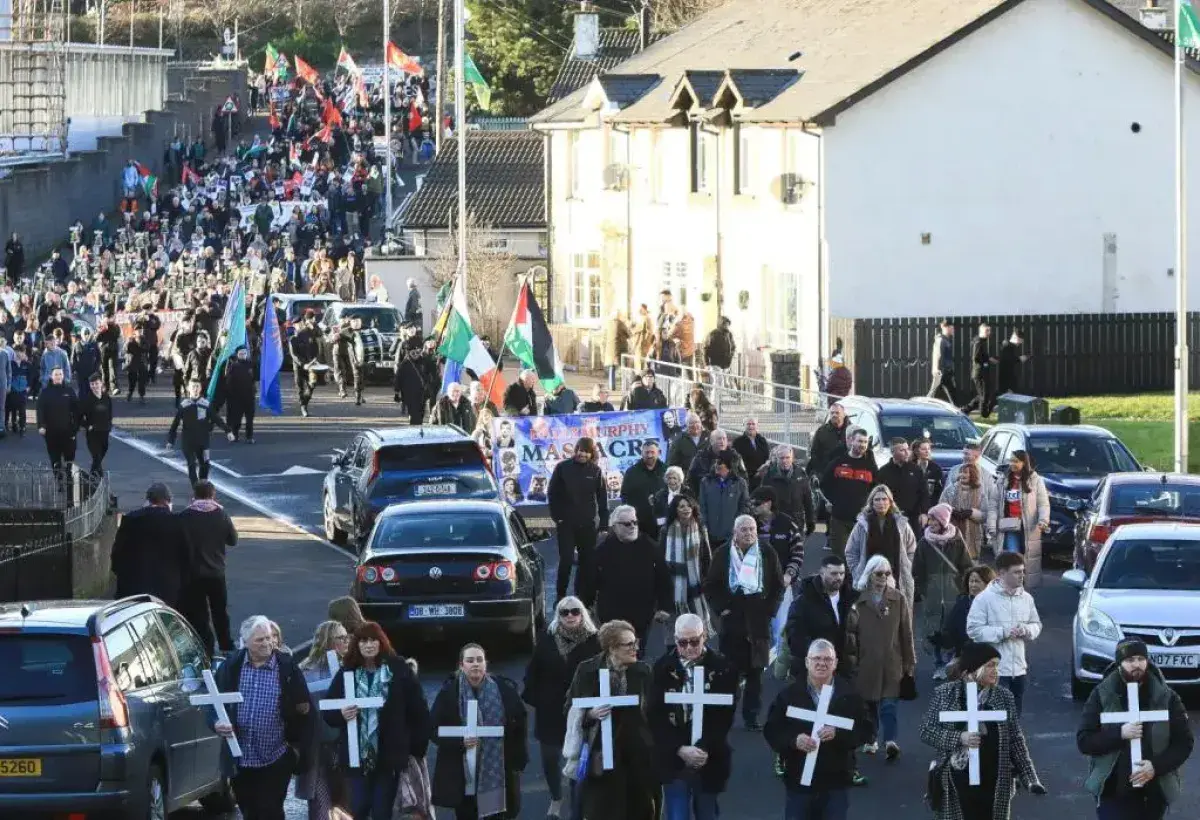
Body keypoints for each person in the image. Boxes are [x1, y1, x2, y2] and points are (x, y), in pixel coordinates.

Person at [920, 642, 1045, 820]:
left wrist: (1030, 779)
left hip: (994, 781)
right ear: (974, 668)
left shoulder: (1004, 697)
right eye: (990, 666)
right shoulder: (945, 694)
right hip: (956, 780)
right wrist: (959, 737)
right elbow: (926, 731)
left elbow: (1015, 740)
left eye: (997, 665)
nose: (996, 671)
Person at [210, 615, 316, 820]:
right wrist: (216, 723)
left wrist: (298, 749)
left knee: (270, 811)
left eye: (269, 638)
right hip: (241, 758)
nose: (267, 643)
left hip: (275, 755)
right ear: (246, 642)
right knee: (250, 811)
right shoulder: (231, 667)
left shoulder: (287, 668)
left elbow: (304, 708)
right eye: (260, 640)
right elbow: (212, 703)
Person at [324, 621, 431, 820]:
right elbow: (328, 711)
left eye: (373, 640)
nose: (369, 645)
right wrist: (341, 714)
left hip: (388, 757)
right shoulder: (347, 672)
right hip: (357, 758)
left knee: (382, 810)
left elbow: (419, 710)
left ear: (382, 642)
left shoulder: (398, 669)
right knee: (359, 808)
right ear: (357, 645)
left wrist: (415, 748)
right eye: (363, 640)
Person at [1077, 639, 1194, 820]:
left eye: (1141, 659)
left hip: (1154, 791)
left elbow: (1184, 743)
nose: (1136, 665)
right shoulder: (1102, 694)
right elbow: (1084, 741)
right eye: (1130, 660)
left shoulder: (1166, 697)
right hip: (1113, 790)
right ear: (1119, 664)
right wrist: (1120, 734)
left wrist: (1155, 767)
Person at [564, 619, 657, 820]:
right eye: (629, 644)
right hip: (602, 755)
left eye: (636, 643)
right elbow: (569, 708)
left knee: (640, 811)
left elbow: (654, 713)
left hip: (637, 756)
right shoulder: (587, 670)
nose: (635, 649)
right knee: (604, 811)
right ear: (612, 648)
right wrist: (590, 714)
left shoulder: (643, 671)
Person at [648, 613, 738, 820]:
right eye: (682, 642)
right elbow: (655, 715)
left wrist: (703, 748)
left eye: (694, 641)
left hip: (709, 756)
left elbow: (724, 717)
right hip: (673, 757)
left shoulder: (723, 668)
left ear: (704, 636)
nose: (689, 647)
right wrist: (679, 748)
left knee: (707, 814)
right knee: (677, 815)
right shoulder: (662, 668)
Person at [765, 639, 867, 820]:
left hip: (836, 781)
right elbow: (772, 730)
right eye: (816, 658)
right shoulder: (789, 696)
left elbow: (867, 730)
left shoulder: (850, 696)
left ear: (835, 663)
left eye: (827, 659)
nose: (821, 663)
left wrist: (839, 734)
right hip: (799, 780)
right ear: (807, 662)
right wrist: (794, 741)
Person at [522, 597, 600, 820]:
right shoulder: (547, 640)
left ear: (582, 613)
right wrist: (538, 699)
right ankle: (556, 797)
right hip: (550, 710)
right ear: (558, 615)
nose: (570, 616)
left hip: (582, 709)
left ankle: (579, 804)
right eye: (564, 612)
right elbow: (532, 673)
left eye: (575, 611)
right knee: (549, 757)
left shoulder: (595, 641)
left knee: (581, 758)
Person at [705, 514, 784, 731]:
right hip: (733, 623)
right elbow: (710, 585)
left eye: (751, 529)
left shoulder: (767, 552)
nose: (748, 533)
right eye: (744, 530)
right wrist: (722, 609)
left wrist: (770, 610)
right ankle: (726, 715)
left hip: (759, 622)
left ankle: (751, 717)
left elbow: (778, 585)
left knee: (756, 675)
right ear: (735, 533)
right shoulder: (723, 554)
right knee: (729, 673)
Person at [432, 643, 528, 819]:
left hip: (497, 771)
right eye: (470, 660)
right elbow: (433, 729)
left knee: (496, 815)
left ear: (486, 663)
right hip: (462, 772)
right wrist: (460, 742)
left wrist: (518, 759)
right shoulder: (449, 692)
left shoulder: (503, 689)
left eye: (479, 660)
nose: (475, 664)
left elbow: (519, 723)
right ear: (461, 666)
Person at [850, 554, 915, 761]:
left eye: (887, 573)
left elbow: (906, 632)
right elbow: (850, 635)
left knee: (889, 704)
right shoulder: (857, 600)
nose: (883, 577)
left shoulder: (898, 598)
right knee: (868, 705)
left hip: (892, 661)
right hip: (866, 661)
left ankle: (890, 741)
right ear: (869, 574)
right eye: (879, 573)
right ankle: (871, 740)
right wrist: (851, 662)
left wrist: (909, 661)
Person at [580, 505, 671, 649]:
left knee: (636, 656)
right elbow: (589, 579)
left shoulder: (650, 546)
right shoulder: (603, 550)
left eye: (635, 522)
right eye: (627, 524)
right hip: (611, 617)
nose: (632, 526)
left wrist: (664, 606)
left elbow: (664, 578)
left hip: (642, 616)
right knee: (614, 657)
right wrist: (586, 605)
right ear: (615, 527)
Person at [966, 551, 1041, 717]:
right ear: (1001, 573)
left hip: (1019, 669)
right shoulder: (984, 599)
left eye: (1023, 571)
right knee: (995, 720)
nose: (1021, 575)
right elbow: (973, 630)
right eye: (1016, 572)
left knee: (1014, 719)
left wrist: (1026, 631)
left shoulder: (1027, 598)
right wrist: (1003, 632)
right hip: (995, 671)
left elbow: (1036, 625)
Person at [179, 480, 238, 656]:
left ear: (194, 495)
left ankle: (206, 648)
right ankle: (226, 645)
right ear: (213, 495)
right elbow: (233, 540)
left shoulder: (184, 516)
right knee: (220, 611)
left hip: (193, 574)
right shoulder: (221, 514)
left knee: (199, 614)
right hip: (216, 573)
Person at [913, 504, 973, 678]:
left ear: (943, 521)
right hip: (932, 594)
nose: (930, 522)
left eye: (933, 519)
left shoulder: (956, 541)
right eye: (929, 519)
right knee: (933, 630)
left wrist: (962, 589)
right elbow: (917, 569)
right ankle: (939, 664)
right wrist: (925, 588)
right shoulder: (924, 543)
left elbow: (966, 566)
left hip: (953, 593)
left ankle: (951, 664)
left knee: (952, 629)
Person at [548, 436, 608, 605]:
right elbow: (552, 494)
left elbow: (602, 499)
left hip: (587, 525)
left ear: (591, 454)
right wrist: (557, 517)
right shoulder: (562, 468)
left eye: (586, 452)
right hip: (566, 524)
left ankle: (583, 598)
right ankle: (560, 596)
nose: (582, 454)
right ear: (575, 451)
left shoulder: (595, 471)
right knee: (566, 559)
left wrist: (604, 524)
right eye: (580, 450)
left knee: (587, 562)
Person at [111, 482, 188, 610]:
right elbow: (186, 556)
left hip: (133, 588)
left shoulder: (130, 520)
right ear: (168, 500)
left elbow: (117, 553)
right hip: (168, 588)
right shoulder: (178, 522)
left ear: (148, 499)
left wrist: (122, 575)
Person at [844, 485, 917, 611]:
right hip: (869, 579)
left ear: (890, 502)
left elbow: (912, 550)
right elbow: (850, 551)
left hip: (897, 578)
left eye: (884, 499)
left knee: (895, 619)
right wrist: (857, 571)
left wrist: (908, 568)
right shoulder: (863, 524)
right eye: (877, 499)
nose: (881, 503)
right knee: (870, 618)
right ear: (871, 502)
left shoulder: (901, 524)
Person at [657, 494, 713, 642]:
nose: (686, 509)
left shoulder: (701, 528)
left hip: (695, 585)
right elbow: (661, 560)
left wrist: (707, 582)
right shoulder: (666, 530)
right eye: (681, 506)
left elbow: (707, 557)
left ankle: (698, 656)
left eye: (688, 505)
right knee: (674, 630)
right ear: (675, 510)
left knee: (697, 629)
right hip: (674, 587)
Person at [819, 427, 877, 556]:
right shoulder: (838, 462)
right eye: (859, 441)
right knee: (840, 556)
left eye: (865, 442)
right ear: (851, 441)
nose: (862, 445)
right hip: (840, 519)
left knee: (860, 557)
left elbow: (876, 489)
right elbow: (824, 485)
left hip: (862, 519)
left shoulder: (870, 465)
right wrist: (831, 502)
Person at [167, 379, 229, 485]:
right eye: (193, 386)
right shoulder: (184, 405)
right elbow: (175, 424)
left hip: (203, 441)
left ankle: (202, 485)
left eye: (197, 386)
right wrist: (170, 440)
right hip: (188, 441)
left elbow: (216, 419)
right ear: (188, 388)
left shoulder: (206, 404)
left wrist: (228, 431)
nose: (195, 389)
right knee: (191, 464)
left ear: (200, 389)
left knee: (205, 464)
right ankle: (196, 489)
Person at [940, 565, 996, 675]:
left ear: (987, 583)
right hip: (968, 657)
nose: (973, 585)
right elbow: (950, 628)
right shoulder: (962, 603)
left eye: (977, 581)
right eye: (971, 581)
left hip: (991, 657)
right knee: (971, 689)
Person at [995, 449, 1050, 560]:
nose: (1012, 464)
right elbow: (994, 504)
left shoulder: (1036, 480)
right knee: (1013, 556)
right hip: (1010, 524)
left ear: (1024, 462)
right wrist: (991, 524)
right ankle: (1014, 576)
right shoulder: (1003, 480)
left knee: (1029, 558)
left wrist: (1043, 520)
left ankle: (1023, 577)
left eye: (1016, 461)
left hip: (1029, 526)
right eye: (1010, 461)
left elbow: (1043, 503)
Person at [749, 486, 805, 592]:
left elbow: (798, 553)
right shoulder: (749, 525)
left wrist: (789, 574)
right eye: (751, 504)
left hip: (783, 582)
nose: (753, 507)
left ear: (769, 503)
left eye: (757, 504)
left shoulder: (787, 523)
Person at [758, 444, 816, 539]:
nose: (784, 461)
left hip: (796, 521)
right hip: (777, 522)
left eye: (787, 457)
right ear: (777, 458)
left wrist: (811, 521)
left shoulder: (801, 474)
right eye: (781, 458)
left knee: (797, 551)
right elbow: (762, 501)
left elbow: (808, 500)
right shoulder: (768, 476)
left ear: (792, 458)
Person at [876, 438, 930, 534]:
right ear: (893, 452)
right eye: (902, 450)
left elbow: (924, 493)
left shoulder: (916, 470)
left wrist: (924, 513)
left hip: (913, 518)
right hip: (891, 518)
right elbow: (878, 495)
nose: (907, 453)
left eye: (907, 449)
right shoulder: (883, 472)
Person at [698, 451, 751, 549]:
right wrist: (703, 527)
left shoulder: (740, 483)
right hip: (710, 536)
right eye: (716, 461)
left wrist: (735, 526)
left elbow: (745, 506)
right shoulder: (706, 482)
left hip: (731, 537)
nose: (717, 464)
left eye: (720, 462)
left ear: (729, 466)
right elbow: (702, 507)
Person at [36, 365, 79, 475]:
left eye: (60, 374)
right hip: (51, 432)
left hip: (68, 432)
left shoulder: (69, 391)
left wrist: (75, 428)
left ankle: (69, 480)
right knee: (55, 461)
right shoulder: (45, 393)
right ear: (51, 376)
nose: (58, 376)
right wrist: (41, 425)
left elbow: (76, 410)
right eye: (56, 374)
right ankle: (59, 481)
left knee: (69, 461)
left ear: (63, 376)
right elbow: (40, 410)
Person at [621, 440, 667, 538]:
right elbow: (624, 496)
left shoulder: (666, 471)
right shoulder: (631, 472)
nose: (649, 455)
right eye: (647, 452)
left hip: (663, 522)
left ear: (658, 453)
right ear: (641, 453)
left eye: (652, 452)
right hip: (639, 523)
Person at [687, 429, 746, 495]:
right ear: (711, 441)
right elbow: (690, 479)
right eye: (719, 439)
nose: (722, 441)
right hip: (707, 496)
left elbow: (744, 478)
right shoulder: (700, 457)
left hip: (731, 496)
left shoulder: (735, 456)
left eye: (724, 439)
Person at [78, 373, 112, 476]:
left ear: (101, 383)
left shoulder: (106, 398)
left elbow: (110, 413)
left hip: (104, 432)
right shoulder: (87, 400)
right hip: (93, 434)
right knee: (96, 456)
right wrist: (88, 426)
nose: (94, 386)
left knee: (100, 455)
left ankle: (92, 476)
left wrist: (109, 425)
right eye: (92, 384)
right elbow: (79, 416)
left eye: (96, 383)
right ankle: (97, 477)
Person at [288, 310, 321, 417]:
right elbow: (294, 355)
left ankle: (304, 403)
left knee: (312, 383)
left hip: (310, 364)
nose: (300, 325)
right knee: (300, 388)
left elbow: (317, 338)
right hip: (299, 366)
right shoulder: (293, 339)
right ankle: (303, 406)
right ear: (294, 326)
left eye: (301, 323)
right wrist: (303, 364)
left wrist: (315, 357)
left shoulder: (308, 333)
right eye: (297, 324)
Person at [961, 323, 998, 417]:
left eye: (989, 331)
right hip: (979, 373)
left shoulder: (982, 341)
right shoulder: (978, 342)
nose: (989, 333)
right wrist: (987, 360)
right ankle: (984, 414)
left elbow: (981, 356)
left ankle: (966, 409)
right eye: (987, 331)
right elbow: (976, 358)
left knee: (982, 394)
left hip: (981, 372)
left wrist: (989, 359)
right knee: (984, 395)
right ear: (981, 331)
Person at [806, 403, 849, 480]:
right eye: (832, 413)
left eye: (837, 413)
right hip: (827, 475)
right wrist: (821, 472)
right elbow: (814, 454)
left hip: (848, 475)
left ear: (844, 414)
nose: (834, 415)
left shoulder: (852, 431)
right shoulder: (822, 431)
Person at [224, 346, 257, 443]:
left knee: (249, 419)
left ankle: (249, 437)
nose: (243, 355)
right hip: (237, 397)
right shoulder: (233, 366)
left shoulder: (251, 364)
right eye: (241, 353)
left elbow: (256, 376)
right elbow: (229, 381)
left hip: (249, 396)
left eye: (244, 353)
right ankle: (235, 435)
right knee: (236, 418)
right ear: (237, 354)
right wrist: (231, 394)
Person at [333, 315, 365, 405]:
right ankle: (357, 396)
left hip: (367, 358)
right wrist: (334, 336)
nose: (356, 323)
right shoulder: (346, 331)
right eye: (354, 321)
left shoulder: (366, 330)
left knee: (362, 377)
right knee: (356, 375)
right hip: (354, 358)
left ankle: (360, 394)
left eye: (358, 321)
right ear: (350, 323)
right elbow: (334, 338)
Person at [732, 418, 770, 490]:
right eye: (748, 424)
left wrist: (763, 469)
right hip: (747, 480)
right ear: (744, 426)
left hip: (762, 479)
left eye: (753, 424)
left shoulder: (762, 440)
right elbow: (736, 462)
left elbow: (767, 457)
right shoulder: (738, 442)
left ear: (757, 426)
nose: (751, 426)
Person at [911, 438, 945, 514]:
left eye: (929, 449)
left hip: (930, 509)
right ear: (916, 451)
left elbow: (941, 491)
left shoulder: (936, 469)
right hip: (912, 509)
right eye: (923, 449)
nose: (927, 451)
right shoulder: (909, 467)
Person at [927, 319, 956, 404]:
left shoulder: (946, 340)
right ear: (945, 328)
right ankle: (923, 406)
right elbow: (937, 355)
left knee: (951, 392)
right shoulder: (941, 340)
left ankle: (956, 410)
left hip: (946, 371)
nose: (953, 330)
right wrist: (936, 368)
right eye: (951, 328)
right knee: (932, 392)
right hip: (941, 372)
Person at [652, 466, 686, 531]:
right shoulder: (659, 495)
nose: (672, 481)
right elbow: (656, 514)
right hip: (665, 530)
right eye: (669, 478)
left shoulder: (687, 493)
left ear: (680, 480)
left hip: (684, 529)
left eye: (674, 478)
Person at [604, 310, 630, 390]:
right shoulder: (620, 323)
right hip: (619, 348)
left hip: (609, 348)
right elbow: (628, 334)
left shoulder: (608, 323)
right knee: (623, 366)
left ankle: (611, 386)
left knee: (612, 367)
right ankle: (624, 385)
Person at [997, 330, 1028, 395]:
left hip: (1008, 375)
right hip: (1007, 376)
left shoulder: (1009, 345)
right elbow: (1008, 359)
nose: (1021, 343)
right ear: (1016, 338)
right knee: (1008, 396)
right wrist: (1019, 359)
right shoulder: (1008, 346)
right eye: (1020, 340)